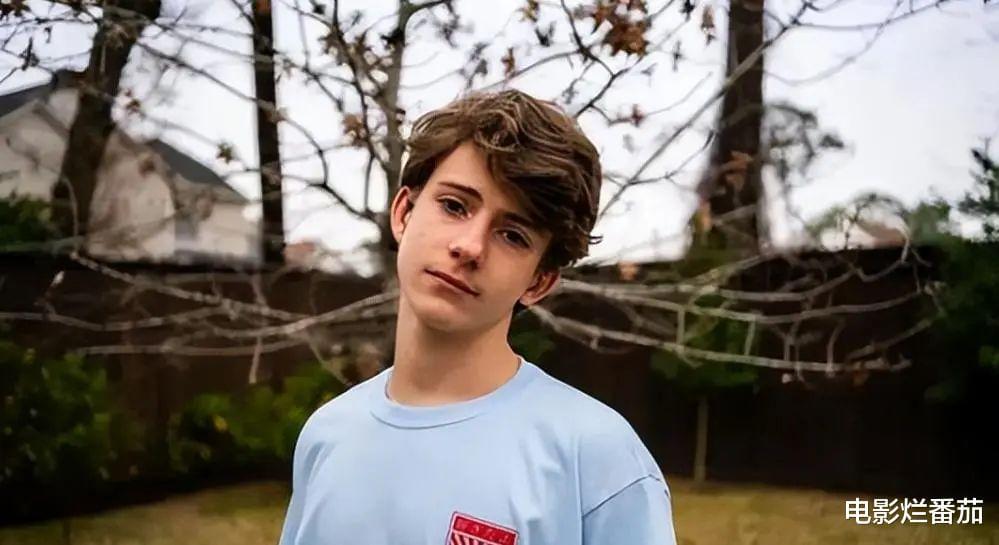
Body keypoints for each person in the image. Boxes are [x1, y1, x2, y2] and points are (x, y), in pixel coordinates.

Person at [279, 89, 678, 545]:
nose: (470, 246)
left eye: (512, 235)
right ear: (404, 212)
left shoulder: (597, 461)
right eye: (454, 206)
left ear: (539, 281)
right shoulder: (327, 436)